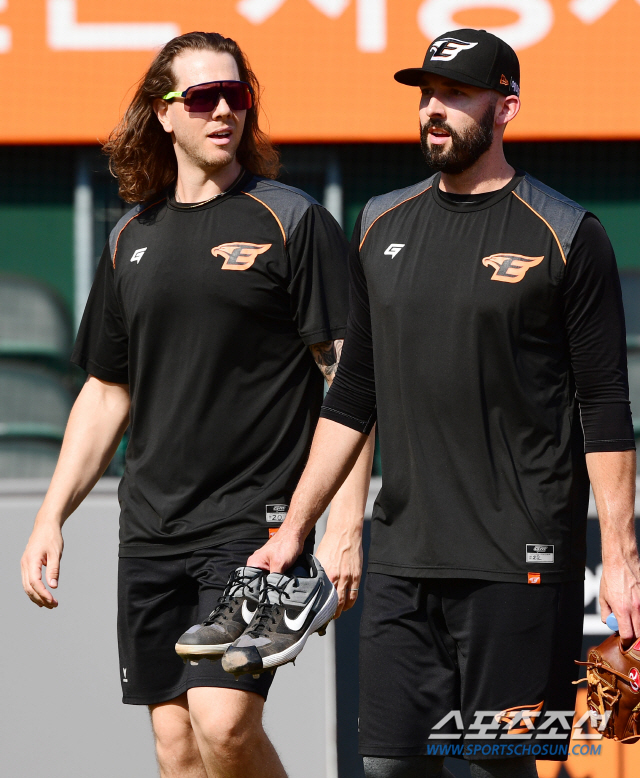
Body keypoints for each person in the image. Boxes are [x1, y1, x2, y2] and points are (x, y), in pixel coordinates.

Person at [246, 28, 640, 778]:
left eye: (457, 95)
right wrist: (296, 529)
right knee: (388, 765)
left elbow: (604, 405)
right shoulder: (380, 223)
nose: (434, 109)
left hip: (520, 562)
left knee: (497, 767)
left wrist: (621, 560)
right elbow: (352, 394)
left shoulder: (567, 234)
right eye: (427, 94)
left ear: (506, 108)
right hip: (404, 555)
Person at [20, 31, 373, 778]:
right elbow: (106, 392)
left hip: (255, 525)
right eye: (204, 97)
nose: (223, 111)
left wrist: (344, 526)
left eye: (236, 96)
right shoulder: (130, 235)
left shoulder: (293, 221)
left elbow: (349, 380)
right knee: (178, 746)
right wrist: (51, 515)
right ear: (163, 112)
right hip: (150, 529)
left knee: (224, 723)